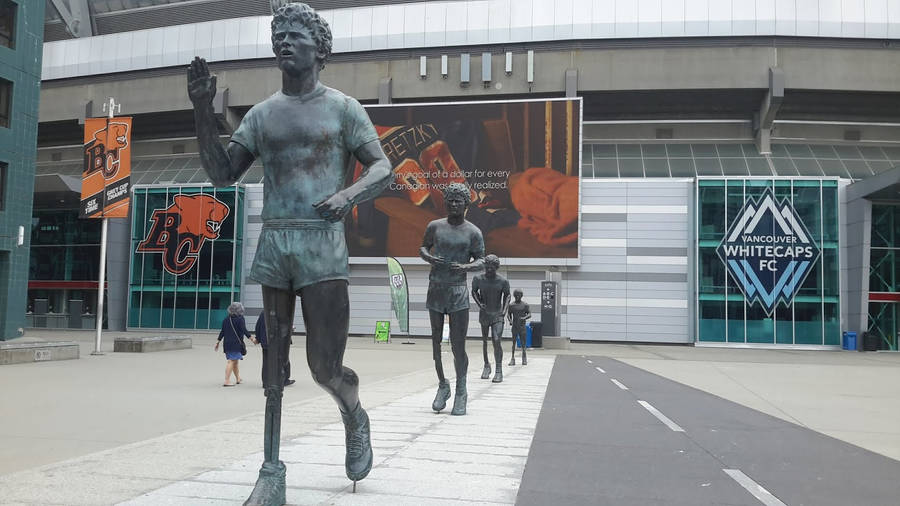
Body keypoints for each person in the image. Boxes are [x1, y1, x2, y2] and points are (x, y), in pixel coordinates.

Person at [187, 2, 392, 501]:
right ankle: (271, 471)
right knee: (272, 364)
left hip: (322, 246)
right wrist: (201, 108)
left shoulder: (344, 108)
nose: (283, 43)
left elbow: (382, 169)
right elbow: (221, 174)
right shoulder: (261, 114)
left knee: (324, 367)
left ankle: (352, 409)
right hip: (277, 241)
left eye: (294, 35)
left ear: (319, 50)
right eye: (278, 36)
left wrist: (346, 196)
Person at [420, 182, 485, 416]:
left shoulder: (473, 232)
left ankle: (461, 389)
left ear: (466, 204)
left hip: (458, 290)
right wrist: (430, 258)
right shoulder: (434, 226)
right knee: (436, 342)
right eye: (450, 200)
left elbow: (482, 259)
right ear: (445, 202)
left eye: (458, 201)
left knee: (458, 345)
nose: (454, 204)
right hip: (436, 288)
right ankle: (442, 384)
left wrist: (465, 266)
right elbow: (423, 248)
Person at [471, 254, 510, 383]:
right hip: (485, 314)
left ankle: (499, 370)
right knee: (485, 341)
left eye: (492, 268)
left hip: (498, 314)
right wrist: (479, 303)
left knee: (496, 339)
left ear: (496, 267)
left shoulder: (503, 281)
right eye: (487, 267)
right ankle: (486, 365)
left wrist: (504, 311)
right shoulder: (478, 279)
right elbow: (474, 291)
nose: (489, 270)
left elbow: (508, 296)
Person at [215, 302, 252, 386]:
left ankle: (238, 378)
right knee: (231, 361)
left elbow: (222, 332)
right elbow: (244, 330)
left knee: (235, 361)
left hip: (227, 343)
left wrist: (218, 341)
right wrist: (251, 338)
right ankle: (227, 381)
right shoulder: (240, 319)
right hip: (235, 344)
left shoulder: (226, 319)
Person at [253, 316, 294, 387]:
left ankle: (266, 382)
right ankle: (284, 380)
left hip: (266, 342)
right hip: (279, 342)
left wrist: (258, 338)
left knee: (266, 363)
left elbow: (258, 327)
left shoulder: (264, 313)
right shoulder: (281, 313)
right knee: (283, 360)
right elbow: (285, 327)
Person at [507, 289, 531, 365]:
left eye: (519, 295)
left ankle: (524, 357)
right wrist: (510, 321)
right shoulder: (511, 305)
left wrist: (524, 318)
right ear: (514, 296)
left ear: (521, 296)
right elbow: (508, 314)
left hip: (522, 326)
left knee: (523, 343)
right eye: (516, 295)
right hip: (514, 326)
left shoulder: (525, 305)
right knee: (513, 343)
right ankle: (512, 358)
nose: (517, 297)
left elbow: (529, 314)